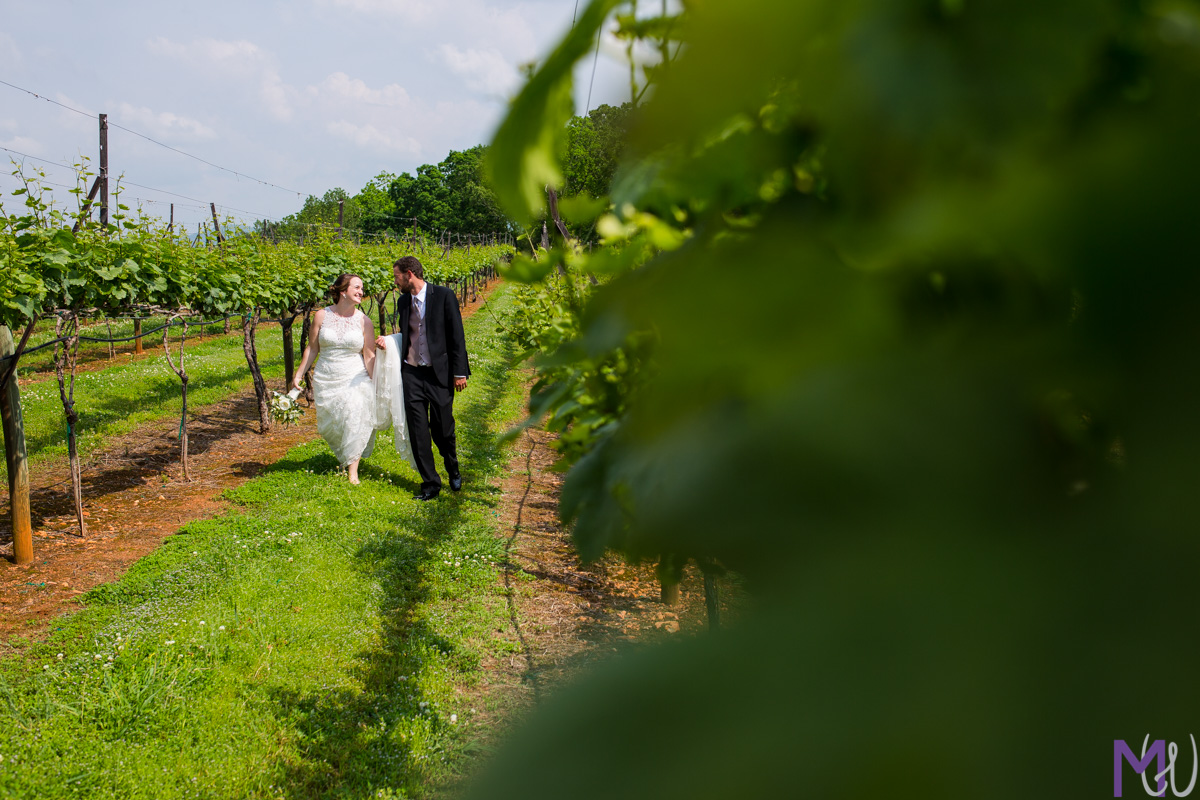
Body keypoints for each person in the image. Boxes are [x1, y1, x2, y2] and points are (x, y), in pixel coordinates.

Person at [376, 255, 469, 500]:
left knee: (443, 429)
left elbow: (457, 336)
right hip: (412, 374)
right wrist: (388, 343)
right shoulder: (403, 302)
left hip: (439, 374)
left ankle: (452, 467)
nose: (395, 282)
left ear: (409, 274)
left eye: (397, 277)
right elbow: (406, 334)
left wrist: (459, 372)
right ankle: (430, 484)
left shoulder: (444, 295)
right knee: (418, 431)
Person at [293, 273, 378, 484]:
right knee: (331, 424)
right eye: (356, 287)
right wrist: (299, 374)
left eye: (362, 288)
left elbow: (368, 355)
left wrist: (375, 383)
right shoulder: (321, 316)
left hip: (354, 376)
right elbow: (312, 348)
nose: (361, 292)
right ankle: (346, 454)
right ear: (343, 291)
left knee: (354, 416)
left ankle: (353, 472)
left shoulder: (364, 321)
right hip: (326, 376)